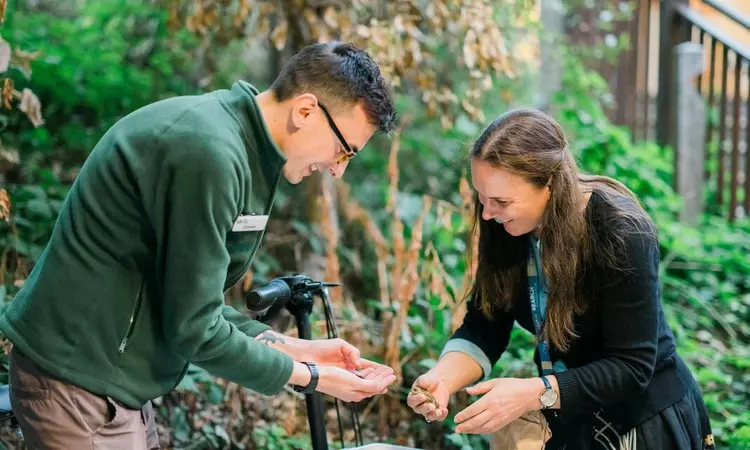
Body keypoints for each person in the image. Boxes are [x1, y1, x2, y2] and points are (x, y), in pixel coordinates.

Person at [0, 42, 398, 449]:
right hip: (76, 379)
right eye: (343, 149)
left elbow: (197, 305)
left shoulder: (247, 151)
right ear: (306, 111)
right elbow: (194, 328)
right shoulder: (210, 152)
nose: (337, 169)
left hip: (116, 383)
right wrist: (313, 377)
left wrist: (301, 350)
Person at [407, 109, 715, 450]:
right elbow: (485, 324)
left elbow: (632, 369)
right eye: (481, 196)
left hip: (641, 421)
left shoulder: (621, 231)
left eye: (500, 201)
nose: (486, 213)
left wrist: (535, 392)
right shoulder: (504, 223)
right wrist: (442, 379)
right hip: (573, 412)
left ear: (550, 184)